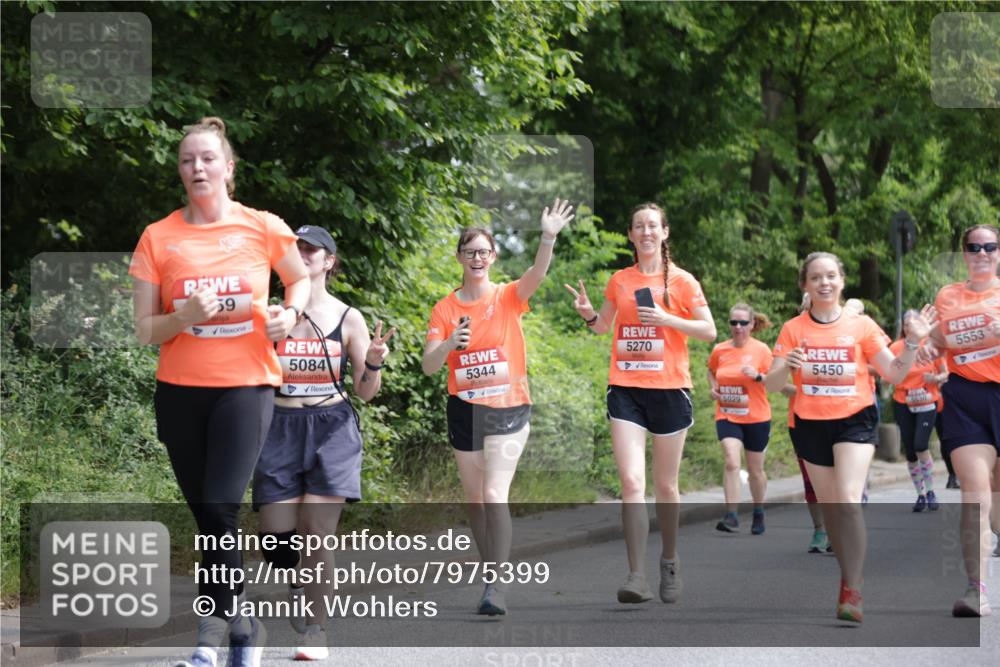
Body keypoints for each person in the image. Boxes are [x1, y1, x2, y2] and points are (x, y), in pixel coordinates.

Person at [130, 117, 310, 667]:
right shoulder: (158, 237)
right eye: (187, 161)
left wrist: (292, 313)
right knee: (208, 517)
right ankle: (241, 620)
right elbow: (144, 330)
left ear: (228, 168)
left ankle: (217, 636)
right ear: (180, 173)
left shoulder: (262, 226)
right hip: (180, 393)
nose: (197, 168)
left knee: (220, 507)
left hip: (246, 386)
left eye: (207, 158)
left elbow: (297, 278)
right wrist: (181, 315)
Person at [422, 199, 574, 615]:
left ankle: (497, 585)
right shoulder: (445, 308)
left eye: (483, 251)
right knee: (476, 502)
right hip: (464, 408)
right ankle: (489, 570)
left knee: (493, 494)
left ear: (494, 257)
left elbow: (537, 274)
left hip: (507, 407)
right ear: (459, 257)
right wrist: (450, 344)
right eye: (469, 251)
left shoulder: (507, 296)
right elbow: (428, 365)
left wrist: (547, 236)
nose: (476, 258)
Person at [765, 251, 930, 623]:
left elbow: (893, 374)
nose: (824, 282)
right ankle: (847, 575)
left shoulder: (862, 326)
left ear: (842, 281)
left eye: (831, 276)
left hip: (855, 419)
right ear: (805, 286)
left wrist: (914, 344)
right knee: (832, 512)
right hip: (809, 422)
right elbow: (773, 383)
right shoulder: (793, 329)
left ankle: (852, 588)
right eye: (816, 277)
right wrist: (786, 366)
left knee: (848, 501)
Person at [253, 226, 394, 660]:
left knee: (317, 533)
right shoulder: (270, 314)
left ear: (329, 261)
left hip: (331, 426)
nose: (303, 254)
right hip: (278, 425)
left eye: (312, 250)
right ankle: (295, 576)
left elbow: (366, 391)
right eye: (296, 249)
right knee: (276, 542)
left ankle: (316, 629)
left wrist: (371, 363)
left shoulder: (348, 317)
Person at [565, 203, 716, 604]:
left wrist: (669, 320)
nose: (646, 232)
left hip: (669, 388)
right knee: (632, 483)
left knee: (666, 485)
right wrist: (588, 315)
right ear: (630, 235)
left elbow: (709, 330)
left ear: (665, 232)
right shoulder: (620, 280)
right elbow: (603, 326)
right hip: (626, 387)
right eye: (639, 226)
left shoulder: (682, 281)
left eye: (653, 225)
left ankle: (669, 559)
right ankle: (636, 576)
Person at [922, 223, 999, 617]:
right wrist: (924, 344)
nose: (981, 253)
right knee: (975, 492)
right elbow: (936, 341)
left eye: (989, 246)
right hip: (965, 399)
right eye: (974, 247)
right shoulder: (948, 295)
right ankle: (977, 590)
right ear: (964, 253)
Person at [707, 303, 773, 534]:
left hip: (757, 416)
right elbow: (711, 371)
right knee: (731, 461)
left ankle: (758, 510)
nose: (738, 327)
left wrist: (757, 376)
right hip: (728, 414)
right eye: (733, 322)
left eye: (743, 323)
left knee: (756, 470)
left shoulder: (762, 350)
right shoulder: (720, 350)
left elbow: (774, 380)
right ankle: (732, 515)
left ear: (752, 324)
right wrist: (713, 388)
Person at [888, 309, 948, 513]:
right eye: (905, 324)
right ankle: (920, 494)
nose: (908, 327)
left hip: (927, 400)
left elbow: (945, 373)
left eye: (912, 323)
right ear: (903, 328)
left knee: (921, 444)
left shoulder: (930, 347)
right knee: (911, 451)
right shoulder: (896, 347)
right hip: (903, 401)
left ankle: (931, 491)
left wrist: (936, 379)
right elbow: (888, 373)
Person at [787, 294, 831, 553]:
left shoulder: (841, 332)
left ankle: (836, 530)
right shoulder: (792, 334)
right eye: (805, 304)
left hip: (837, 418)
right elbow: (777, 381)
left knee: (835, 482)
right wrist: (805, 389)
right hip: (801, 419)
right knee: (810, 481)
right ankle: (819, 530)